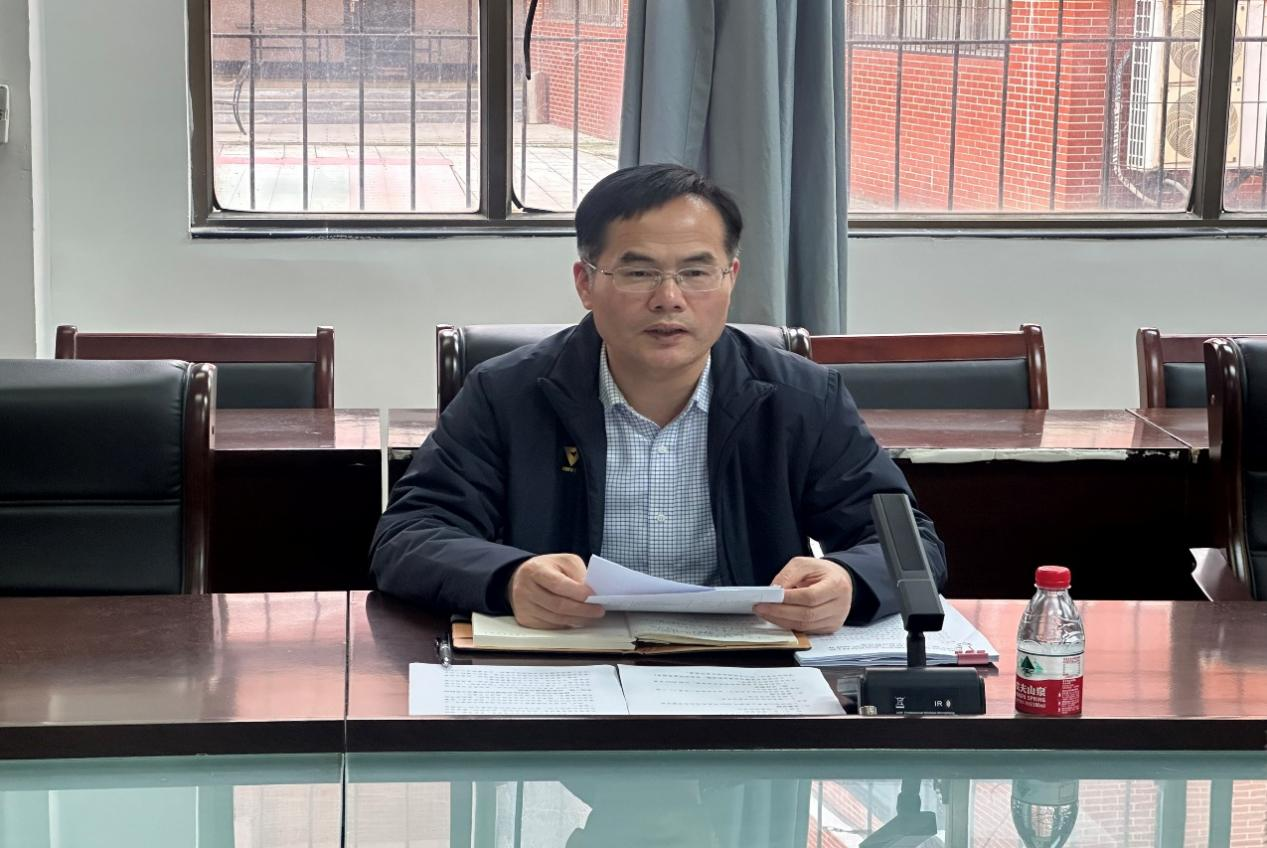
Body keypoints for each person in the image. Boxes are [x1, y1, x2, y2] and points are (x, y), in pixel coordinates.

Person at [371, 164, 945, 632]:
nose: (669, 299)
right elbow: (408, 536)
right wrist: (510, 578)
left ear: (731, 278)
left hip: (746, 670)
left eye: (696, 273)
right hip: (567, 662)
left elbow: (909, 543)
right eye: (639, 273)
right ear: (585, 282)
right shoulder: (506, 394)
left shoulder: (803, 398)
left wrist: (848, 581)